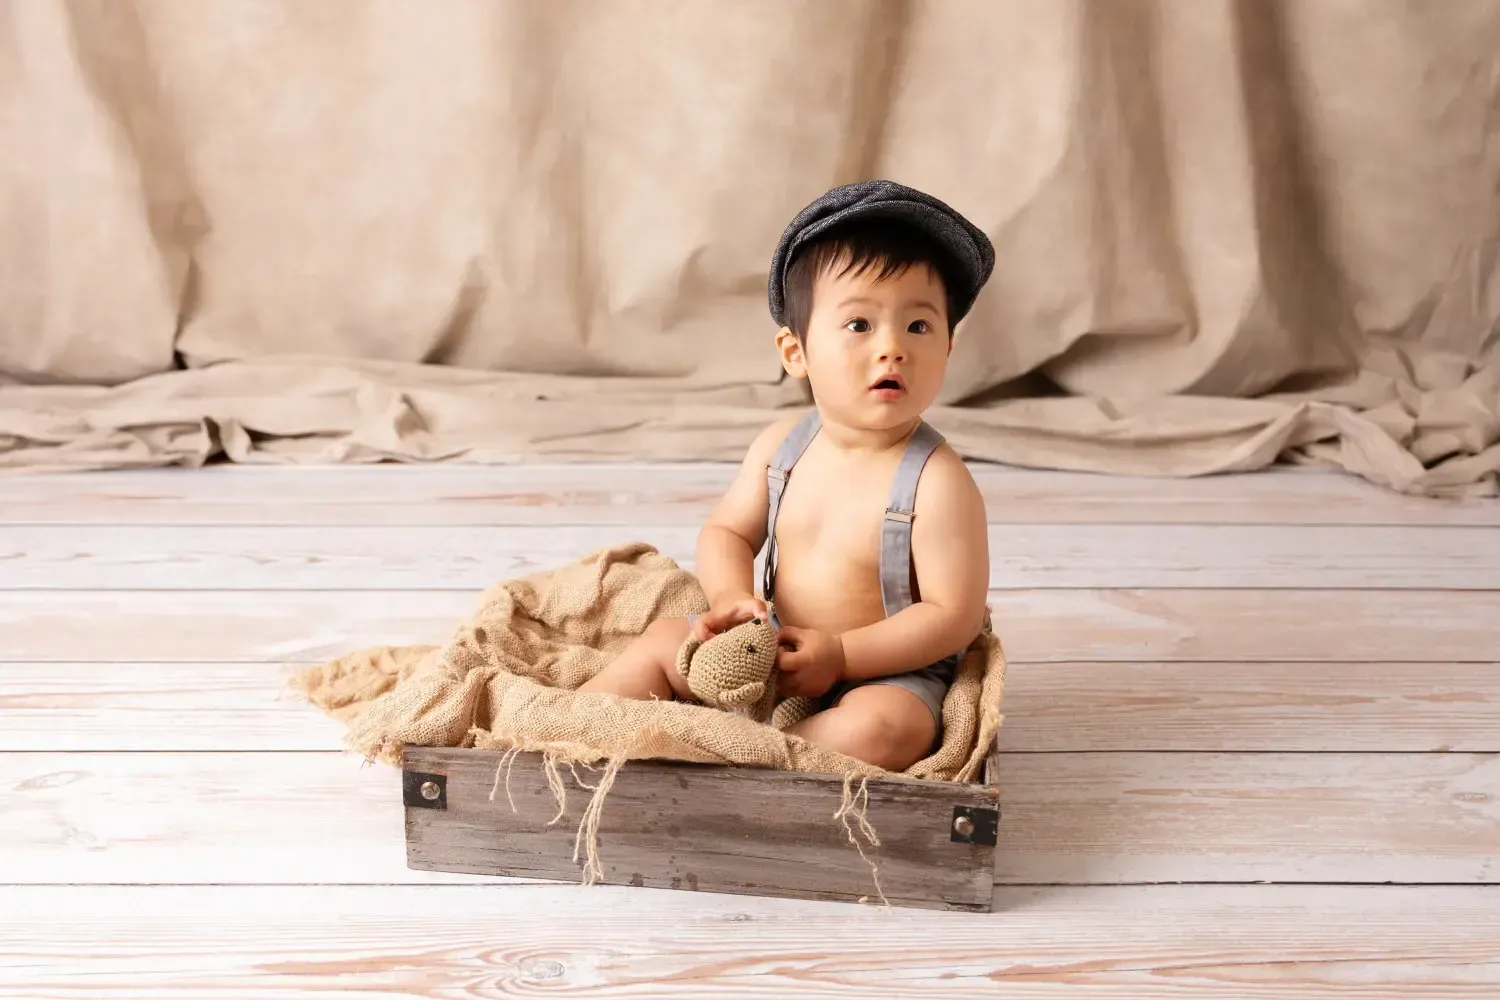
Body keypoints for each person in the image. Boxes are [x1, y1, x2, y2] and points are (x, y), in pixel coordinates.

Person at [578, 179, 994, 771]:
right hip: (769, 644)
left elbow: (952, 616)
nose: (892, 348)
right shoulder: (783, 448)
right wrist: (731, 602)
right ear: (795, 352)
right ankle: (571, 732)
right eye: (859, 325)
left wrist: (844, 656)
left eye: (919, 327)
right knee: (663, 643)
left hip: (881, 668)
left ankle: (746, 763)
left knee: (888, 729)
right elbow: (728, 533)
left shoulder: (938, 481)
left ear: (949, 346)